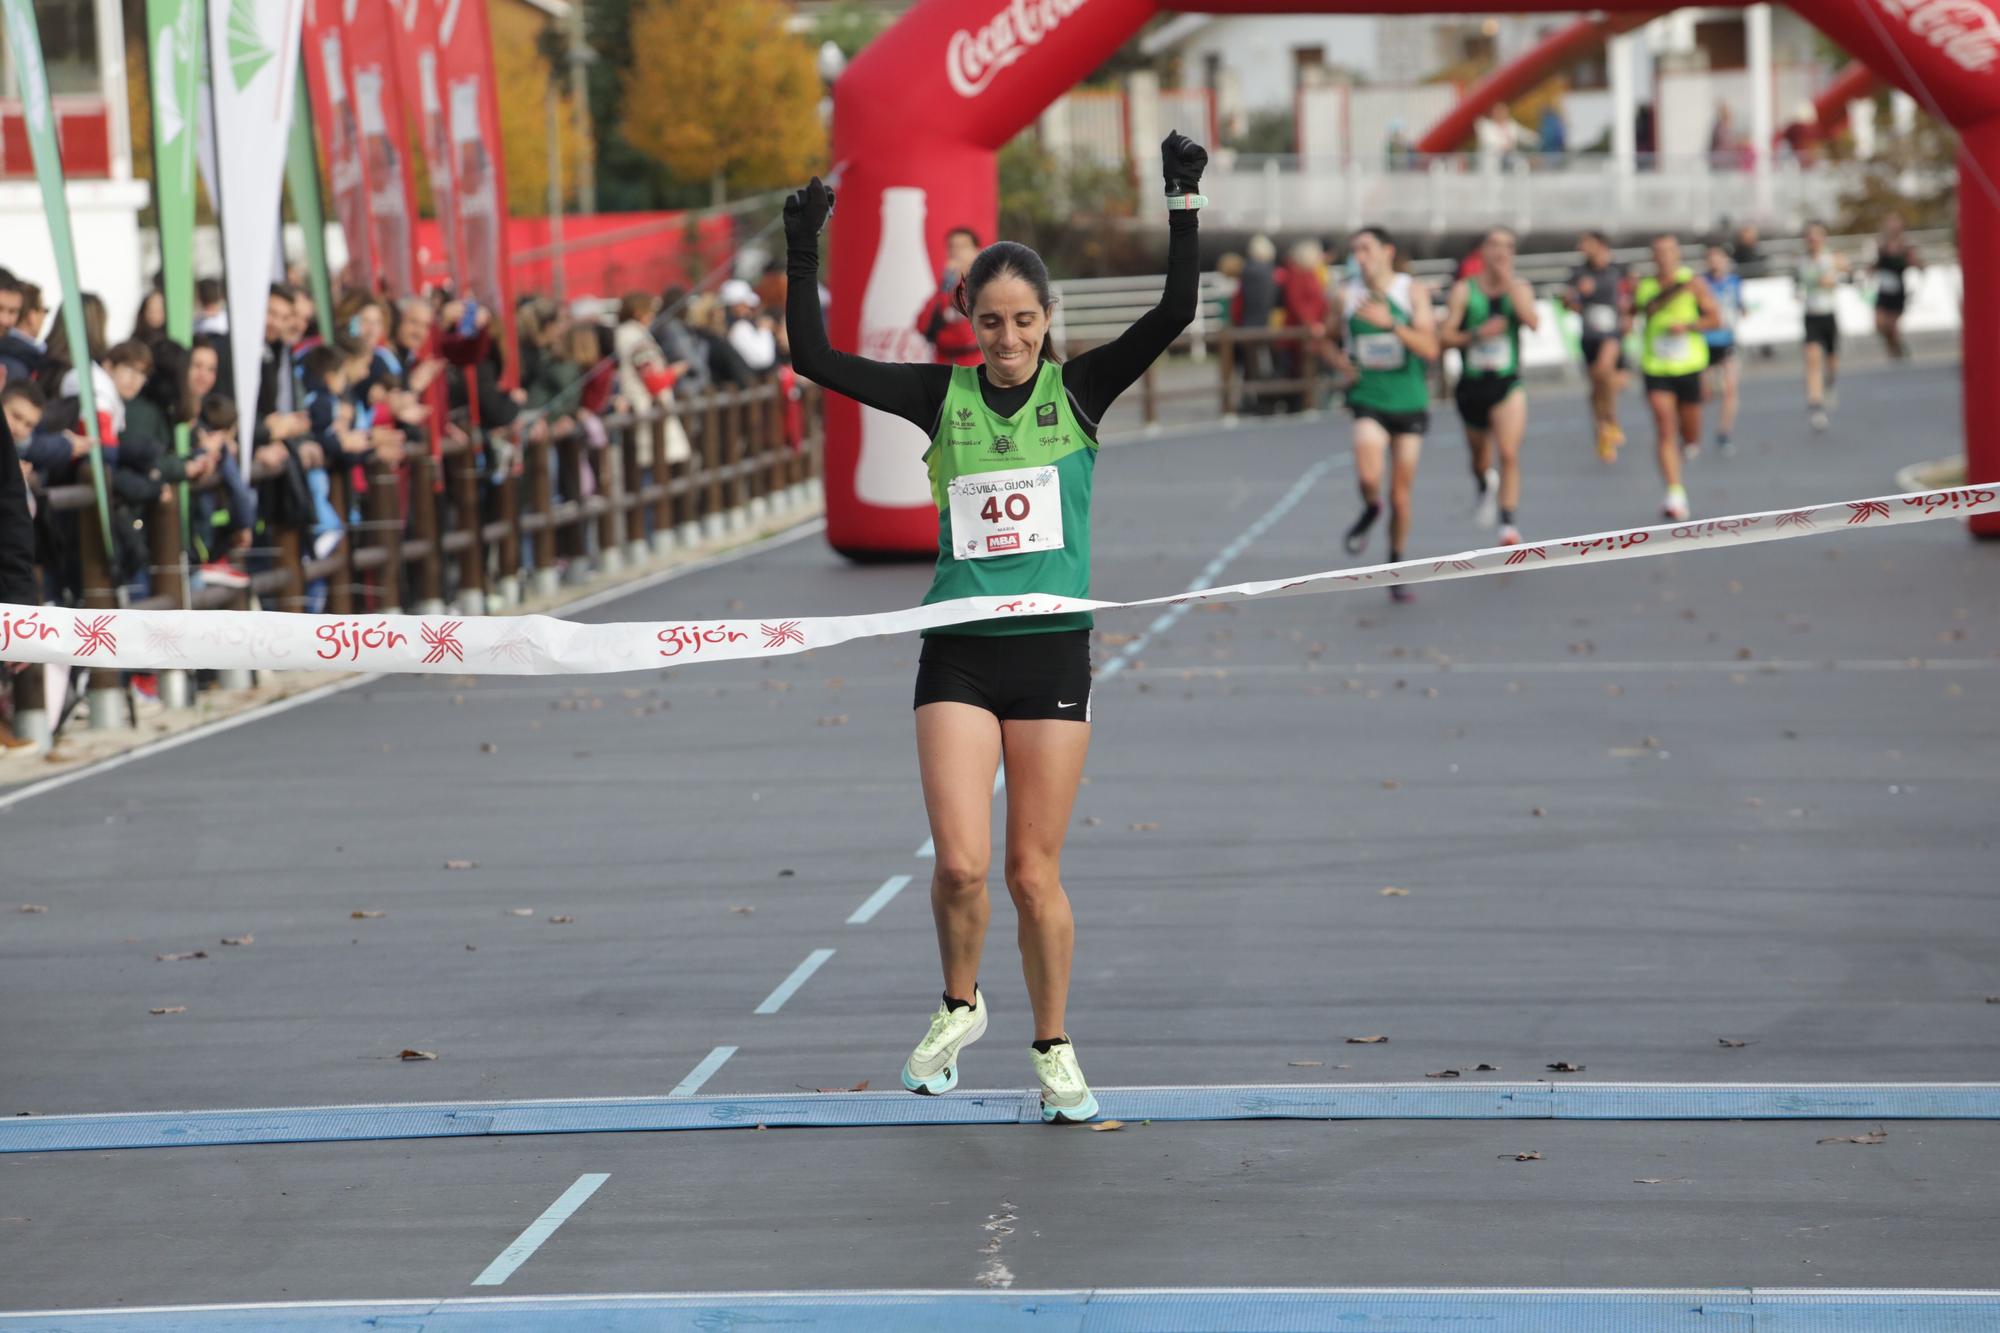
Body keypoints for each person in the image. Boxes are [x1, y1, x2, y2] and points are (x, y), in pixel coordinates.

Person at [782, 130, 1209, 1125]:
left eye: (1022, 320)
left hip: (1052, 654)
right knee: (962, 864)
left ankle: (1053, 1045)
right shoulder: (943, 396)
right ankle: (956, 1004)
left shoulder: (1081, 392)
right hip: (960, 654)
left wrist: (1180, 197)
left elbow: (1177, 309)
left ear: (1046, 320)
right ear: (967, 323)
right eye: (989, 322)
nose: (1008, 339)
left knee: (1030, 871)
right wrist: (802, 250)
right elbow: (812, 357)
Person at [1329, 226, 1438, 604]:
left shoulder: (1410, 291)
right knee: (1368, 474)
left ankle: (1396, 566)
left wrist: (1391, 324)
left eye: (1367, 248)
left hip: (1409, 399)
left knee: (1402, 498)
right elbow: (1325, 337)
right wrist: (1340, 363)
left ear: (1387, 251)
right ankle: (1371, 507)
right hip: (1368, 398)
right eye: (1355, 249)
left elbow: (1429, 348)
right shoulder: (1346, 294)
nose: (1360, 256)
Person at [1443, 227, 1537, 545]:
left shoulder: (1519, 287)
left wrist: (1508, 283)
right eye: (1495, 246)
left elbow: (1532, 322)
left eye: (1508, 247)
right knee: (1479, 459)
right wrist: (1476, 335)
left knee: (1508, 453)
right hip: (1472, 384)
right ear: (1482, 251)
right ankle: (1484, 482)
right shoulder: (1464, 290)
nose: (1501, 252)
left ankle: (1507, 523)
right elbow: (1445, 337)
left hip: (1507, 382)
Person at [1633, 233, 1719, 520]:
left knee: (1691, 431)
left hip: (1689, 365)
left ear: (1678, 254)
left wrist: (1690, 326)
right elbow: (1635, 311)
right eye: (1658, 252)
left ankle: (1689, 443)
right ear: (1652, 257)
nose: (1664, 257)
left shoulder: (1694, 283)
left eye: (1669, 251)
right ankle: (1675, 492)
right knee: (1664, 425)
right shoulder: (1645, 287)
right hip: (1656, 366)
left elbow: (1715, 319)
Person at [1565, 230, 1629, 462]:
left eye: (1585, 242)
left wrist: (1628, 312)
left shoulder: (1618, 268)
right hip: (1590, 334)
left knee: (1605, 371)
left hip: (1612, 333)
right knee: (1597, 387)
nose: (1581, 246)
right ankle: (1603, 432)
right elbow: (1569, 304)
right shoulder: (1578, 273)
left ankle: (1611, 420)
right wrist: (1574, 298)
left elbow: (1632, 293)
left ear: (1599, 244)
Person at [1796, 221, 1846, 432]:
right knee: (1812, 359)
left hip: (1829, 314)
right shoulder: (1802, 261)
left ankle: (1831, 384)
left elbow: (1846, 271)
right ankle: (1815, 405)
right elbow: (1799, 283)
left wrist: (1835, 277)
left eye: (1817, 236)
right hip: (1811, 316)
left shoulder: (1831, 258)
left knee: (1831, 360)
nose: (1813, 240)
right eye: (1810, 236)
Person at [916, 226, 984, 367]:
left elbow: (968, 338)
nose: (956, 252)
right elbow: (923, 326)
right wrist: (945, 286)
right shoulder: (946, 286)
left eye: (962, 246)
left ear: (976, 251)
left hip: (975, 368)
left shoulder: (984, 286)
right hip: (943, 368)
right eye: (951, 246)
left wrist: (942, 337)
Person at [1702, 243, 1743, 455]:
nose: (1715, 262)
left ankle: (1724, 433)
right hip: (1704, 343)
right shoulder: (1700, 284)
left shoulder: (1734, 282)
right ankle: (1689, 432)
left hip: (1727, 342)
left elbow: (1739, 306)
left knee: (1731, 389)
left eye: (1719, 257)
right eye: (1711, 257)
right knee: (1704, 393)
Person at [1871, 211, 1921, 362]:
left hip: (1898, 291)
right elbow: (1877, 264)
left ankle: (1895, 354)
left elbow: (1917, 263)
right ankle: (1895, 348)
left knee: (1892, 326)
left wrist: (1915, 264)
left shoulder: (1905, 246)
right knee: (1880, 324)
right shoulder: (1882, 246)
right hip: (1884, 290)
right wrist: (1870, 270)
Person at [721, 279, 778, 374]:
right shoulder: (739, 328)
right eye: (745, 304)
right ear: (736, 306)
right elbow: (763, 359)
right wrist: (765, 330)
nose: (751, 308)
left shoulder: (742, 325)